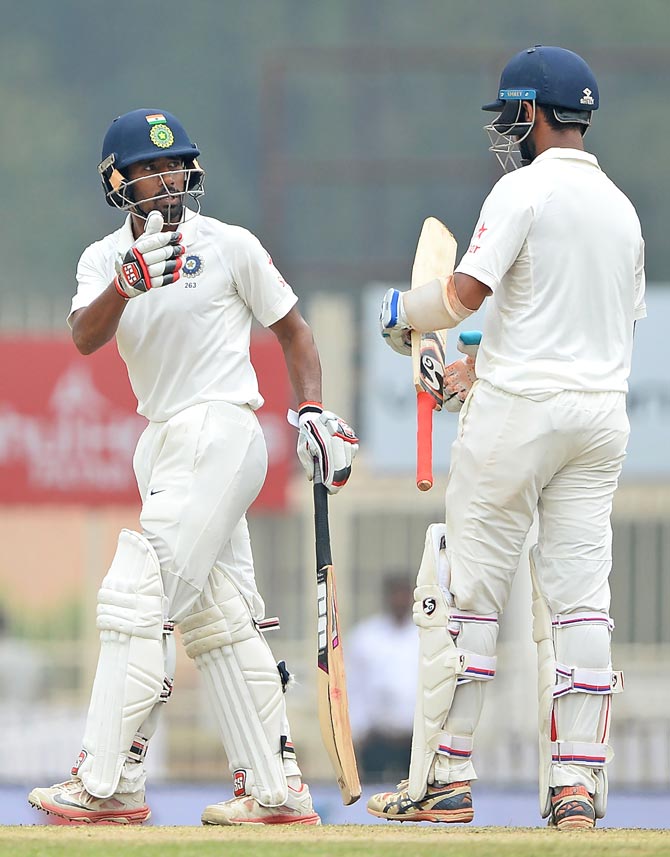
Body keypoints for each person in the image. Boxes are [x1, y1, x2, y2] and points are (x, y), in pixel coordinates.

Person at [28, 108, 358, 826]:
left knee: (139, 591)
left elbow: (295, 333)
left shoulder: (230, 244)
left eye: (177, 163)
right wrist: (128, 280)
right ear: (119, 183)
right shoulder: (100, 259)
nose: (169, 176)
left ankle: (108, 780)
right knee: (221, 616)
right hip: (164, 438)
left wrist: (311, 410)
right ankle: (275, 790)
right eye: (151, 168)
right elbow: (85, 336)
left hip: (222, 425)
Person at [370, 46, 645, 830]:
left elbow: (460, 295)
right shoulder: (623, 209)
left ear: (532, 112)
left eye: (510, 116)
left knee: (469, 597)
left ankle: (448, 778)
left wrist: (402, 313)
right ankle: (577, 790)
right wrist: (472, 371)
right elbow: (576, 334)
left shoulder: (520, 190)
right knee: (582, 604)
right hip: (598, 420)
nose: (507, 131)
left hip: (519, 418)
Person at [346, 574, 418, 782]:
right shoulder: (366, 636)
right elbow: (354, 686)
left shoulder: (425, 636)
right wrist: (357, 733)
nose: (400, 600)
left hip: (415, 740)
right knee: (373, 796)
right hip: (377, 738)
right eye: (395, 594)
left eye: (404, 595)